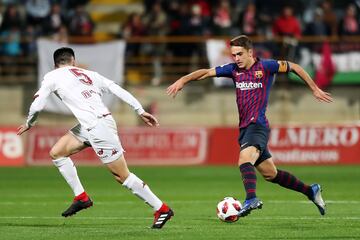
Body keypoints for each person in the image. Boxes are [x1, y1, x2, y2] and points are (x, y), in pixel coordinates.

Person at [167, 35, 332, 218]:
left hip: (257, 125)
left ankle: (251, 198)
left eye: (239, 54)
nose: (236, 58)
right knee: (271, 174)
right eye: (234, 55)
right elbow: (205, 72)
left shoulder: (266, 67)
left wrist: (314, 88)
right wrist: (183, 80)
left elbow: (294, 67)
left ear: (250, 53)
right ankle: (311, 191)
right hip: (245, 128)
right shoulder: (232, 70)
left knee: (244, 160)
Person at [17, 47, 174, 229]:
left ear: (55, 64)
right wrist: (140, 110)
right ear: (73, 61)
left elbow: (37, 105)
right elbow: (117, 89)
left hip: (99, 127)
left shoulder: (52, 76)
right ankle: (81, 197)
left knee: (122, 176)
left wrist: (30, 123)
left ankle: (161, 209)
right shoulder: (90, 74)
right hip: (90, 124)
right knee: (57, 153)